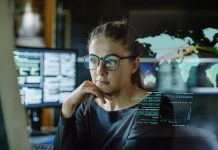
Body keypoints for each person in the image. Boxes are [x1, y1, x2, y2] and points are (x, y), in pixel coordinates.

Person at [54, 20, 174, 150]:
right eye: (93, 60)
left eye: (111, 61)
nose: (100, 71)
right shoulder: (87, 107)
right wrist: (67, 107)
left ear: (133, 65)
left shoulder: (156, 106)